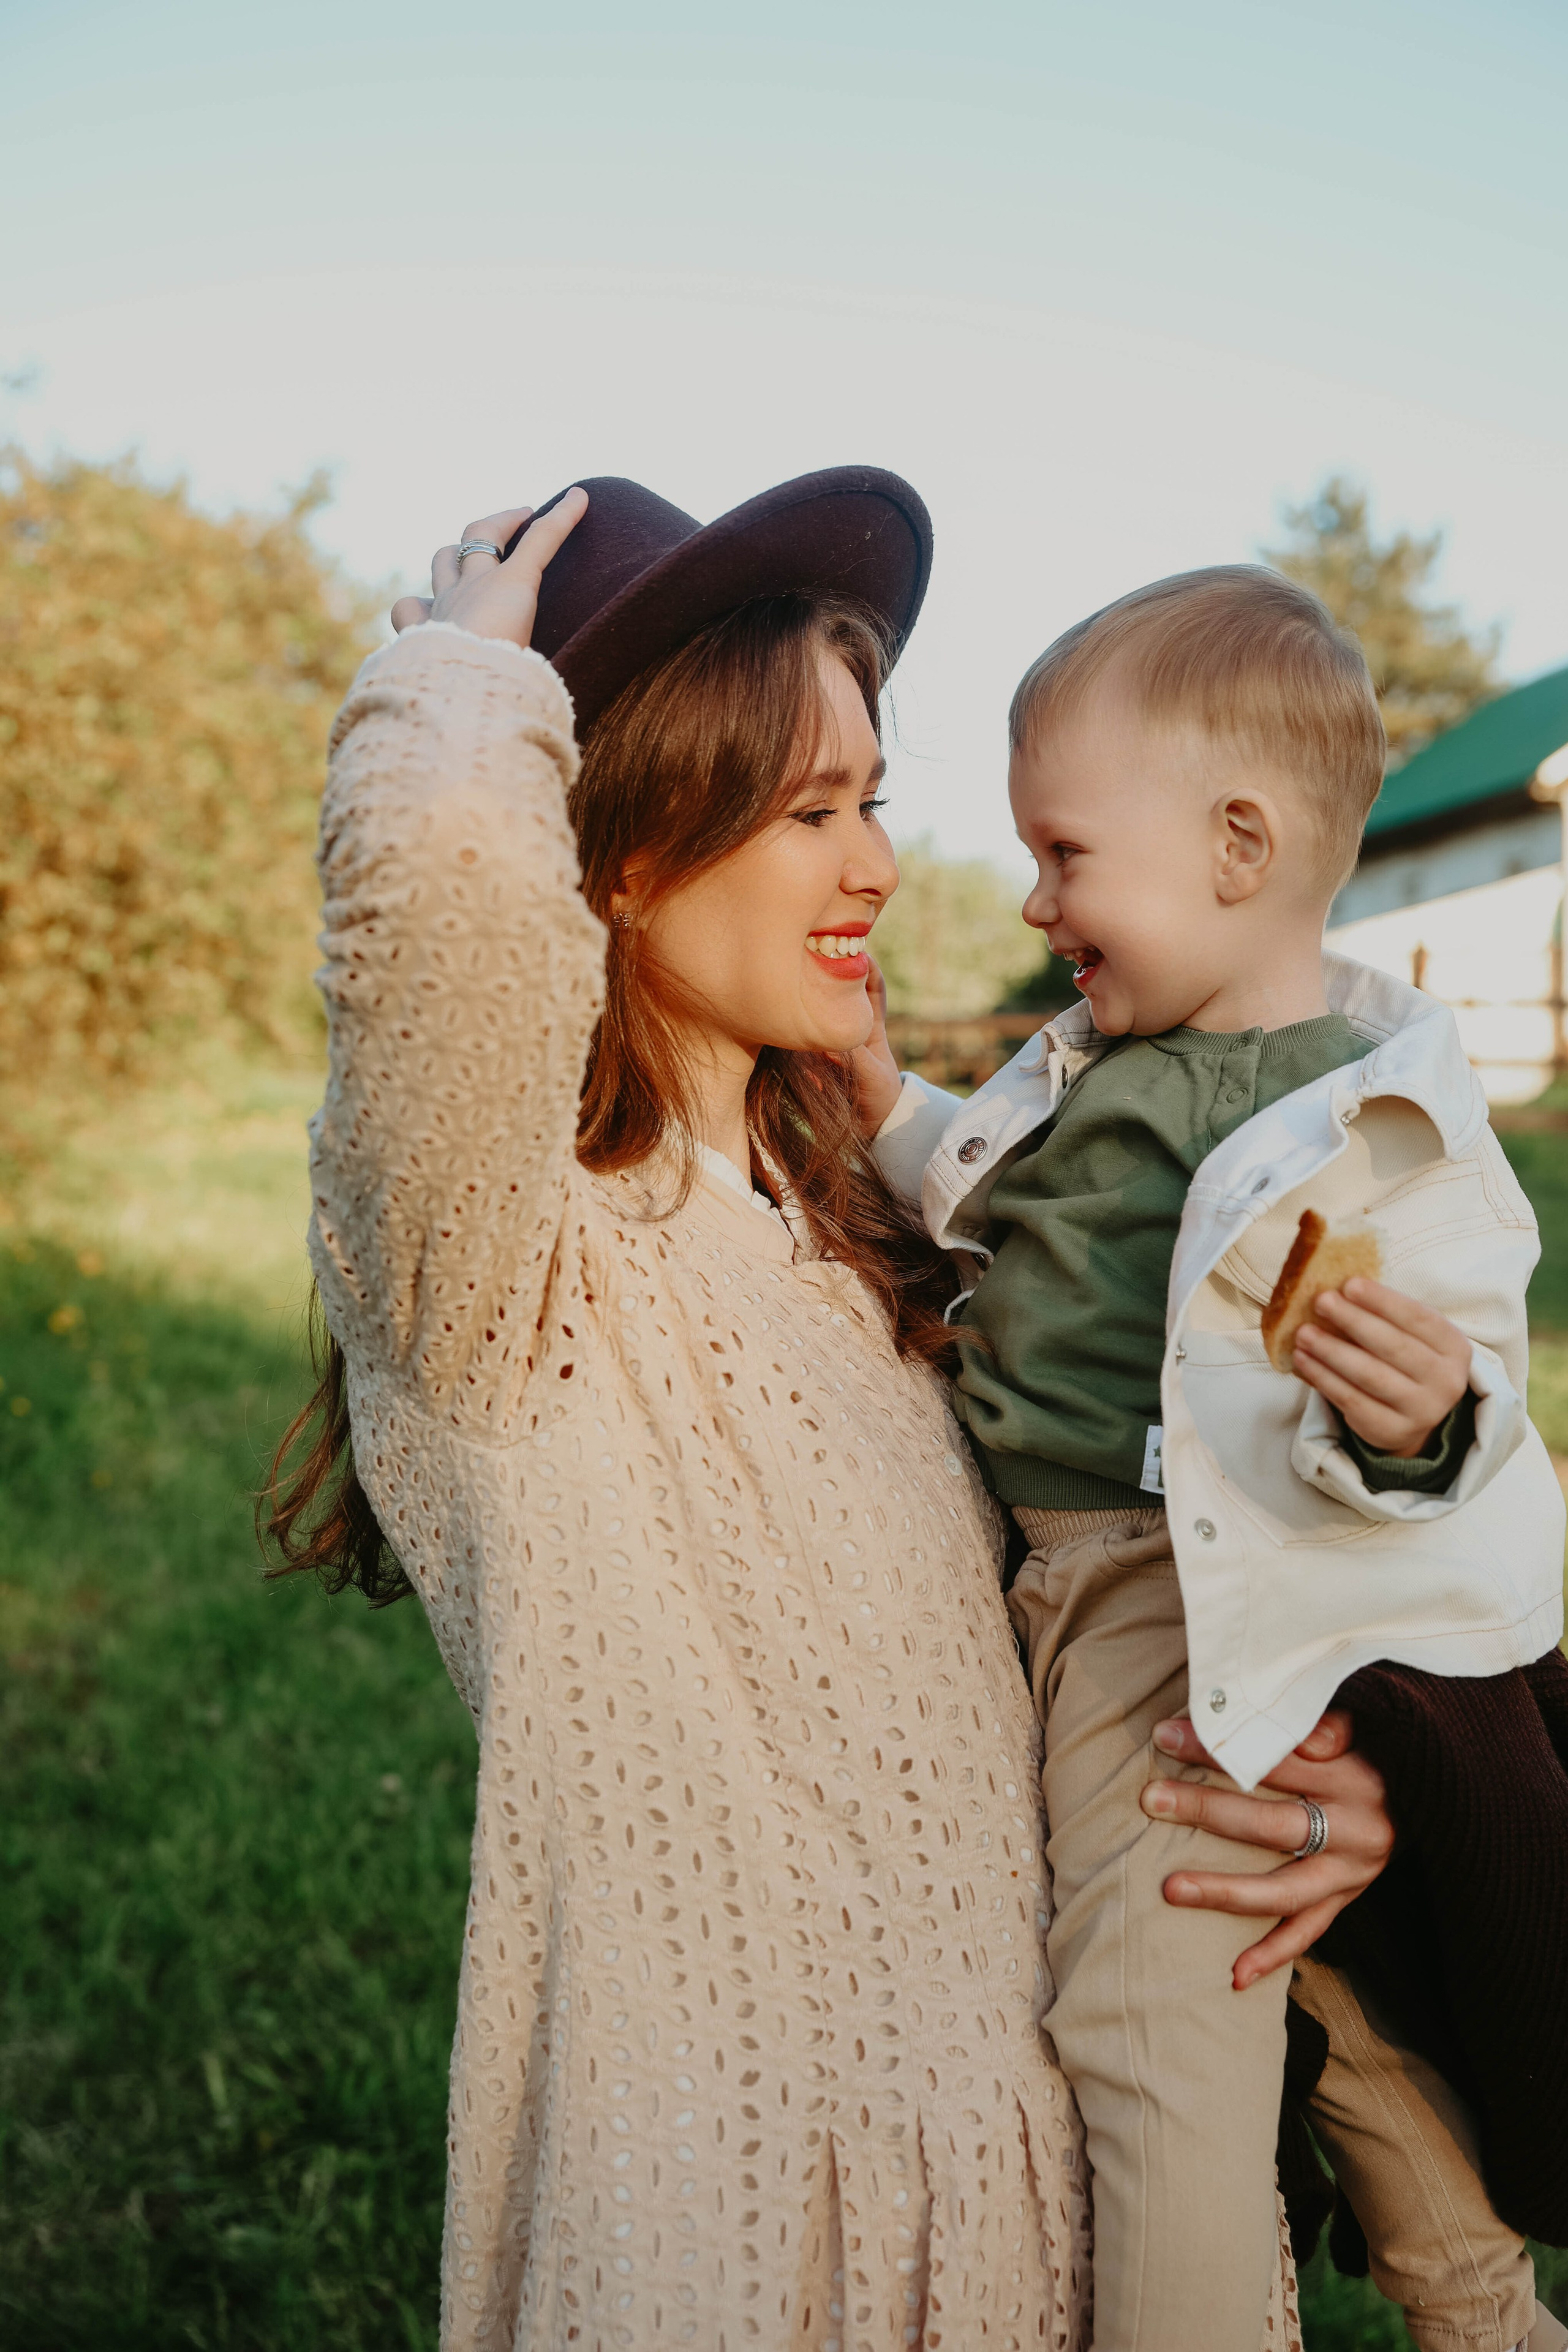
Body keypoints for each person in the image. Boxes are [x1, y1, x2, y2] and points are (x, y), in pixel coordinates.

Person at [264, 481, 1398, 2352]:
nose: (875, 861)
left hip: (1025, 2192)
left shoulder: (870, 1235)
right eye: (811, 811)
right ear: (620, 844)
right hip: (728, 2218)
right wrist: (466, 675)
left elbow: (1126, 1597)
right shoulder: (505, 1266)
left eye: (872, 793)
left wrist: (1311, 1787)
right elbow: (448, 898)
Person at [855, 566, 1568, 2352]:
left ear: (1239, 846)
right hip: (1111, 1579)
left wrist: (1423, 1419)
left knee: (1154, 2011)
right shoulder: (1112, 1051)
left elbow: (1466, 1377)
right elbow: (992, 1190)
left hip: (1163, 1594)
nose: (1035, 898)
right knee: (1306, 1969)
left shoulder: (1383, 1116)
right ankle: (1487, 2314)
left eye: (1065, 852)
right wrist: (868, 1089)